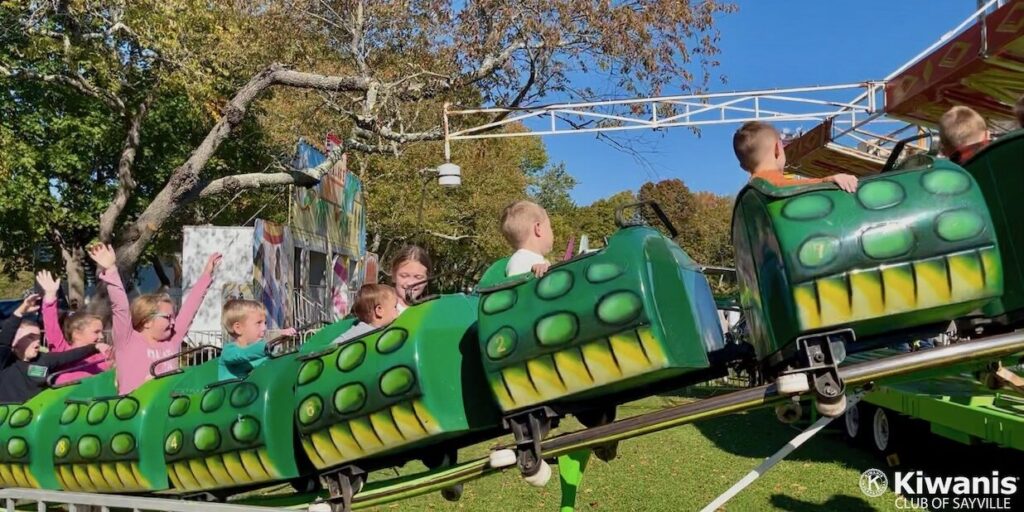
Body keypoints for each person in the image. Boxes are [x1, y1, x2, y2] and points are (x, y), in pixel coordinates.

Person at [90, 244, 221, 394]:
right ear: (147, 321)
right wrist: (112, 270)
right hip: (134, 412)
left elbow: (189, 310)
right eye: (167, 317)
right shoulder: (126, 340)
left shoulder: (172, 340)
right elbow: (120, 307)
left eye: (173, 317)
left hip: (167, 411)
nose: (173, 322)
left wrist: (206, 276)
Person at [0, 295, 108, 402]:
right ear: (14, 341)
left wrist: (95, 347)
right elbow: (4, 338)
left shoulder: (44, 360)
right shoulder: (5, 362)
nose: (37, 342)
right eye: (31, 338)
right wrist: (20, 312)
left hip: (37, 414)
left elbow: (69, 355)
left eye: (38, 338)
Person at [732, 121, 859, 192]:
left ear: (743, 166)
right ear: (778, 150)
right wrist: (829, 180)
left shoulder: (750, 191)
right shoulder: (771, 184)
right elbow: (800, 186)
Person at [36, 270, 111, 384]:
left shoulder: (102, 355)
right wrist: (50, 296)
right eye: (96, 332)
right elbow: (51, 326)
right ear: (77, 334)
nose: (101, 336)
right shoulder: (63, 352)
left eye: (101, 332)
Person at [217, 299, 296, 380]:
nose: (264, 328)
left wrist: (281, 336)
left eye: (265, 323)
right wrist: (266, 347)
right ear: (238, 328)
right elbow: (244, 354)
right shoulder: (228, 351)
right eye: (258, 323)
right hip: (231, 391)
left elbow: (270, 362)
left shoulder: (258, 350)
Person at [501, 200, 555, 277]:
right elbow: (516, 285)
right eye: (550, 227)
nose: (552, 232)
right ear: (538, 228)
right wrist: (532, 272)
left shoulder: (533, 259)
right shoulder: (520, 260)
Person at [332, 284, 400, 345]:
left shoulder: (381, 330)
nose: (398, 310)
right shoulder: (361, 331)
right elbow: (331, 348)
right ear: (379, 310)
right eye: (395, 307)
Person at [390, 246, 431, 313]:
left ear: (427, 279)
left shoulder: (429, 312)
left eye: (418, 277)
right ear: (394, 276)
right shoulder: (381, 310)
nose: (411, 283)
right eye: (404, 276)